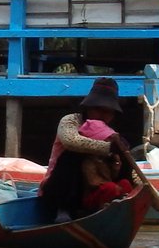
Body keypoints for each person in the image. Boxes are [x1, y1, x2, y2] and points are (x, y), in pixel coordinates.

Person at [39, 77, 139, 219]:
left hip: (93, 191)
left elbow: (134, 173)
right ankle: (63, 209)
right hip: (61, 191)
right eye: (98, 109)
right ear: (88, 107)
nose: (102, 115)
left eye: (108, 111)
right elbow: (71, 142)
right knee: (71, 155)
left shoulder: (110, 134)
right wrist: (108, 148)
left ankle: (108, 209)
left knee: (123, 169)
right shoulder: (71, 121)